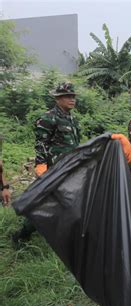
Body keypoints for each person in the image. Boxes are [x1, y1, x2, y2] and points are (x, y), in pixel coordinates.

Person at [12, 82, 81, 244]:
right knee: (44, 203)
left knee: (69, 200)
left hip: (70, 168)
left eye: (73, 96)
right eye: (67, 96)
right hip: (53, 169)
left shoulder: (72, 119)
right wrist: (41, 164)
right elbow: (41, 143)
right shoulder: (48, 118)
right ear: (58, 99)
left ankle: (68, 234)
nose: (72, 99)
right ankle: (22, 235)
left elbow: (75, 144)